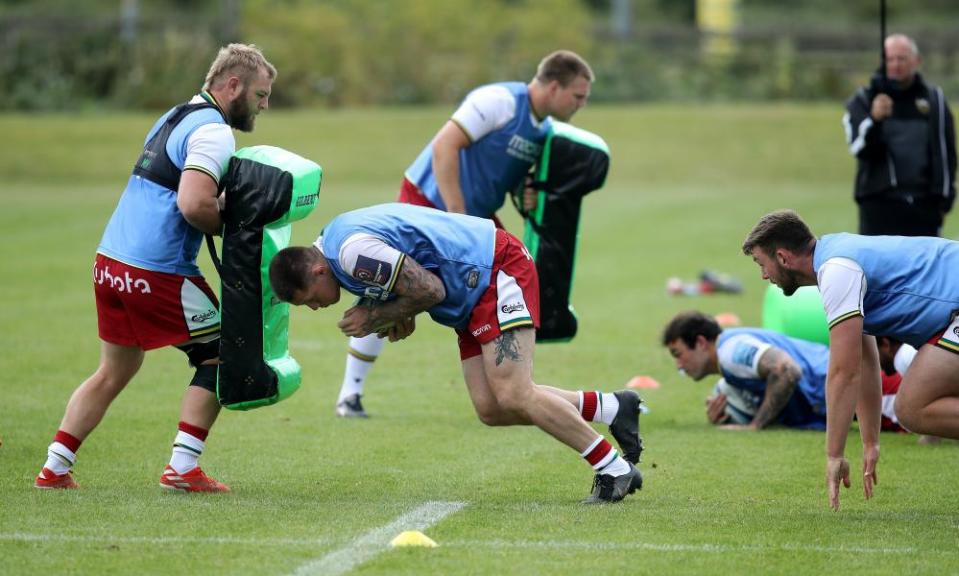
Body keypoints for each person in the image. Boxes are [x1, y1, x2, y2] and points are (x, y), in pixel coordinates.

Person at [269, 203, 643, 503]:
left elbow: (430, 291)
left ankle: (613, 468)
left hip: (493, 268)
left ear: (318, 271)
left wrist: (376, 316)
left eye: (308, 301)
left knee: (514, 392)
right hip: (468, 293)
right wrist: (391, 314)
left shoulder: (350, 254)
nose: (315, 308)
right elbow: (408, 291)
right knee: (492, 408)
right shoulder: (333, 248)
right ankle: (612, 407)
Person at [33, 44, 277, 492]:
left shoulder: (176, 114)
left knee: (113, 370)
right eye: (260, 95)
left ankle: (55, 467)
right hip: (157, 270)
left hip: (109, 263)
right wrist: (237, 225)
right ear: (233, 85)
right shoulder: (215, 132)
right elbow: (192, 204)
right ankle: (182, 469)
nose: (264, 105)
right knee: (223, 354)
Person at [334, 50, 594, 417]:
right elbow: (445, 146)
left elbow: (503, 175)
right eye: (578, 96)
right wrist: (457, 215)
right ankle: (350, 394)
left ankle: (513, 387)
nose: (581, 104)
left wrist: (524, 194)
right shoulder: (499, 101)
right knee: (390, 295)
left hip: (473, 217)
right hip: (427, 203)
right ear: (554, 86)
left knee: (507, 279)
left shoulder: (543, 130)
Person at [741, 209, 959, 510]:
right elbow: (865, 361)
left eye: (761, 264)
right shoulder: (836, 260)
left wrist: (834, 455)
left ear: (782, 257)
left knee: (911, 407)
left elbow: (844, 372)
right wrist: (871, 442)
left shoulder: (837, 271)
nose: (764, 275)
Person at [842, 34, 956, 237]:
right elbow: (860, 148)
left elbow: (946, 153)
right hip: (878, 206)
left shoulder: (934, 99)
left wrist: (943, 201)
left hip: (924, 206)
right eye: (890, 59)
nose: (895, 64)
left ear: (916, 61)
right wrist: (875, 120)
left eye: (902, 58)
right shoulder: (863, 100)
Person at [661, 311, 827, 431]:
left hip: (835, 378)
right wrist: (725, 416)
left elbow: (787, 370)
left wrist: (755, 425)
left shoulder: (731, 352)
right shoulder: (729, 357)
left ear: (700, 343)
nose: (679, 366)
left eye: (678, 354)